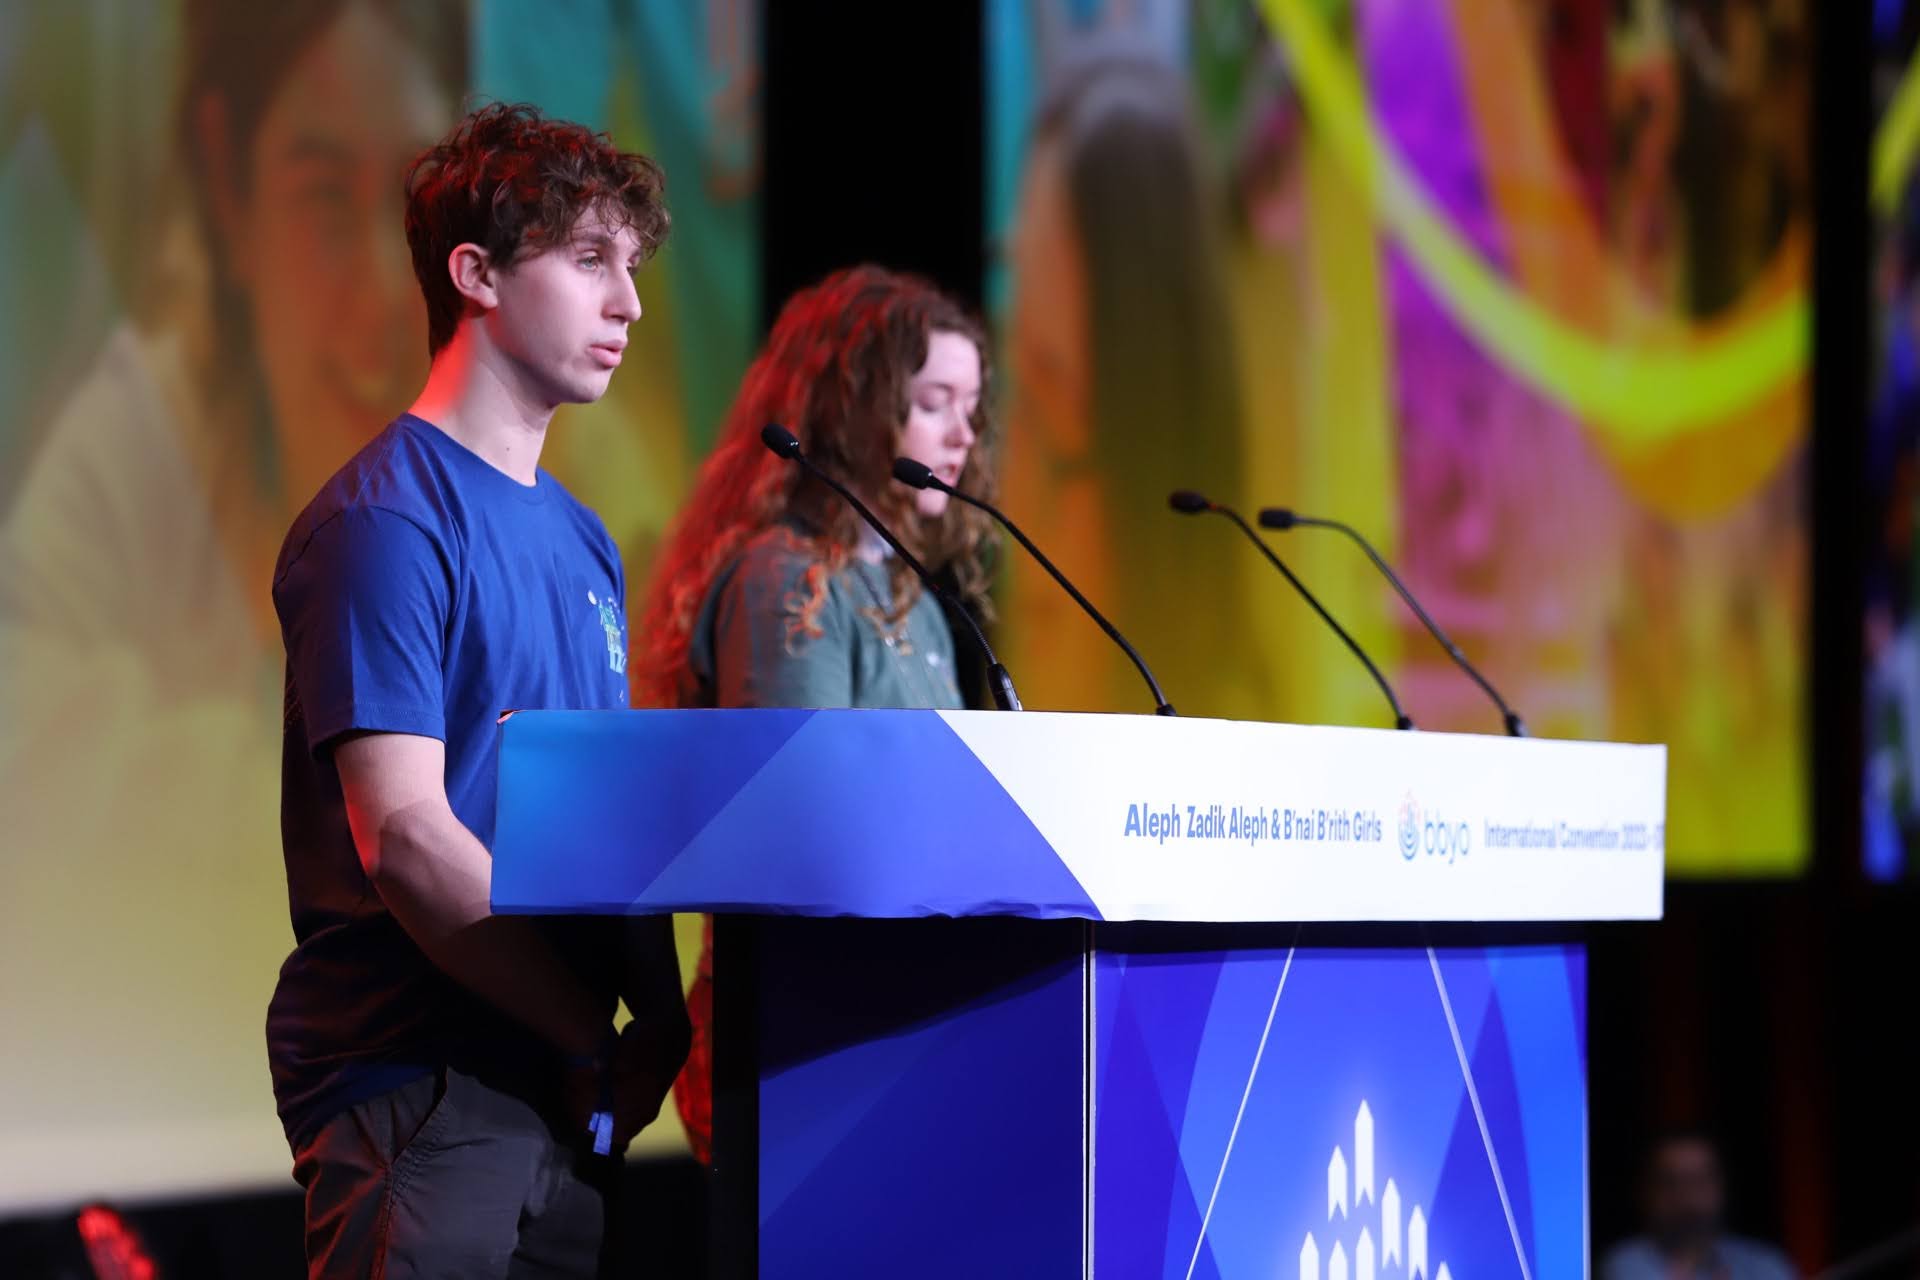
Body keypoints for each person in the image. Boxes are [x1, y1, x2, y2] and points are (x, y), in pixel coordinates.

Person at [268, 102, 689, 1275]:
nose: (630, 303)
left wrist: (657, 1018)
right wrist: (588, 1029)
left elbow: (606, 801)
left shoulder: (585, 539)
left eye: (633, 266)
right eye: (591, 258)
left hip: (560, 1089)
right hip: (425, 1079)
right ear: (477, 275)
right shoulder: (386, 520)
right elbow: (405, 838)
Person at [632, 264, 999, 1161]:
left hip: (888, 1029)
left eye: (971, 407)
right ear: (852, 409)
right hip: (798, 1050)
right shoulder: (788, 582)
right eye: (935, 403)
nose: (962, 434)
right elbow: (802, 842)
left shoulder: (910, 592)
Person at [1602, 1132, 1797, 1280]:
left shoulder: (1765, 1265)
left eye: (1699, 1181)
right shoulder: (1623, 1266)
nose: (1687, 1196)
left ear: (1721, 1186)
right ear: (1646, 1191)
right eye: (1671, 1182)